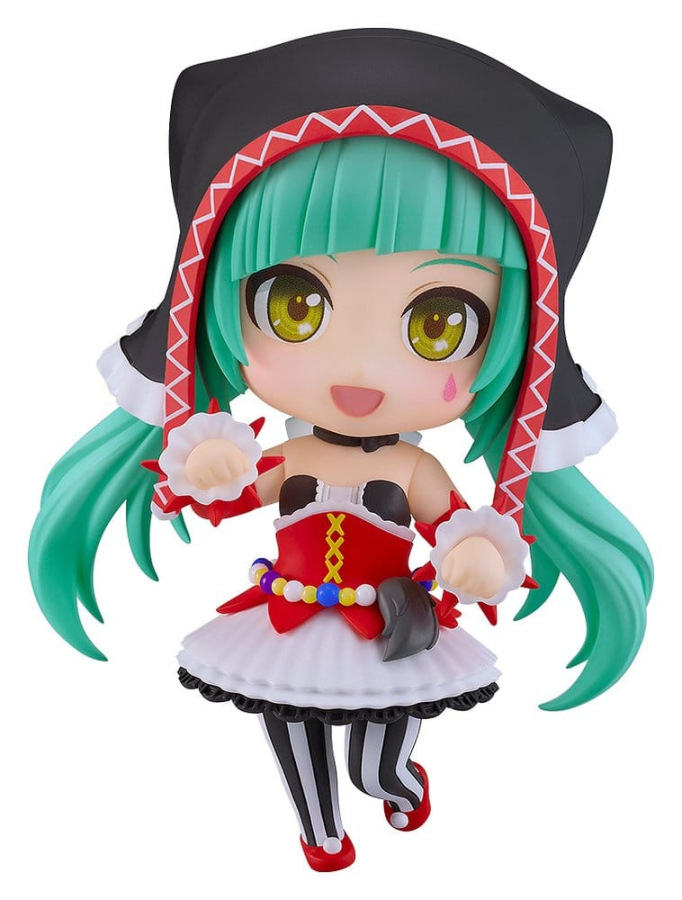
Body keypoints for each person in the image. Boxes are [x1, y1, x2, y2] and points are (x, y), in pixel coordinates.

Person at [29, 30, 653, 872]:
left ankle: (391, 780)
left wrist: (474, 554)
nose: (359, 370)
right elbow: (218, 496)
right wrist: (210, 470)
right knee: (285, 721)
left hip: (389, 623)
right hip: (284, 616)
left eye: (437, 324)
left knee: (376, 749)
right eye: (294, 305)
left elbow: (458, 529)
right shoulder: (291, 462)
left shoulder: (412, 470)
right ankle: (318, 827)